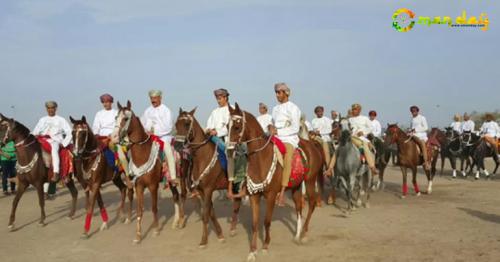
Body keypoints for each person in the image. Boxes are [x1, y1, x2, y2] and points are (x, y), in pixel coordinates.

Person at [269, 83, 301, 206]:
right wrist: (271, 127)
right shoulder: (275, 109)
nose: (277, 95)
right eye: (276, 92)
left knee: (287, 157)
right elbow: (272, 123)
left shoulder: (294, 108)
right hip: (276, 137)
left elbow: (295, 128)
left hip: (289, 138)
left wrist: (278, 131)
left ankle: (282, 190)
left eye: (279, 92)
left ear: (286, 93)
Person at [324, 104, 378, 176]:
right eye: (353, 109)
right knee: (337, 149)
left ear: (359, 110)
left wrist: (363, 132)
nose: (353, 111)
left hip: (360, 138)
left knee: (365, 147)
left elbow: (370, 128)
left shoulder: (365, 118)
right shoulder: (349, 120)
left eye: (355, 109)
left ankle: (372, 167)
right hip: (350, 137)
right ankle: (330, 169)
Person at [92, 93, 132, 188]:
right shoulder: (99, 114)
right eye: (104, 102)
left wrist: (112, 135)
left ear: (111, 103)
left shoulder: (116, 112)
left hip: (113, 138)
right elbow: (95, 127)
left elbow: (119, 126)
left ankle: (127, 176)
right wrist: (97, 135)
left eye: (107, 102)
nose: (106, 104)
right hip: (101, 139)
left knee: (121, 157)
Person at [141, 90, 177, 183]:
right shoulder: (147, 111)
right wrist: (146, 131)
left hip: (163, 137)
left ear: (160, 98)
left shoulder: (166, 110)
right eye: (151, 98)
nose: (153, 100)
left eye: (155, 98)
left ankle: (173, 177)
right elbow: (142, 123)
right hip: (150, 137)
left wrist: (155, 132)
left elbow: (168, 127)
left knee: (168, 151)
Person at [33, 101, 72, 183]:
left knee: (54, 149)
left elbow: (69, 132)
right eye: (49, 108)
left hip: (55, 141)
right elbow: (35, 131)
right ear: (46, 109)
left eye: (52, 108)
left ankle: (56, 172)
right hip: (43, 140)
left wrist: (64, 143)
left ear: (55, 109)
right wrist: (34, 135)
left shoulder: (61, 119)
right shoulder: (42, 119)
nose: (50, 110)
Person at [409, 105, 430, 169]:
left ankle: (425, 162)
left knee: (422, 143)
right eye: (412, 111)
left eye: (414, 111)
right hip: (413, 134)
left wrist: (416, 130)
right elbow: (411, 127)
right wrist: (410, 130)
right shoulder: (412, 119)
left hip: (421, 135)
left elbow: (426, 128)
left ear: (417, 111)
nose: (413, 112)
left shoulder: (422, 118)